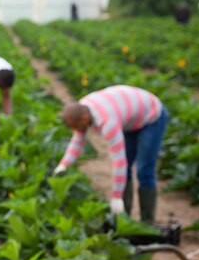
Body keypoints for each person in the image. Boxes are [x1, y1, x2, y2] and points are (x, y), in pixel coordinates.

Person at [52, 85, 168, 223]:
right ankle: (124, 220)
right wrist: (63, 165)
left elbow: (120, 162)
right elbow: (77, 142)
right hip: (130, 117)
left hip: (152, 116)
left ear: (83, 119)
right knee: (128, 167)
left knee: (144, 170)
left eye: (76, 127)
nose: (76, 130)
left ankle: (147, 223)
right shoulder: (82, 108)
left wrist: (116, 196)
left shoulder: (108, 122)